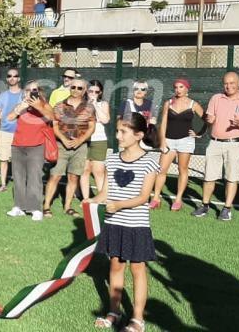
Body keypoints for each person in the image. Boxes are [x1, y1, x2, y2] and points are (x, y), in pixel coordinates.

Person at [90, 113, 160, 332]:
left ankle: (138, 319)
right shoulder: (112, 158)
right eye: (118, 131)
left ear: (138, 135)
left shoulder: (150, 160)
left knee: (138, 269)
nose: (117, 135)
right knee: (115, 265)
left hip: (136, 225)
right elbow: (105, 192)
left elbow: (143, 197)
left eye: (123, 132)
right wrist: (91, 201)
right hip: (114, 223)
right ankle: (114, 311)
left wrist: (118, 205)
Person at [192, 71, 239, 221]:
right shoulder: (216, 98)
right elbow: (210, 119)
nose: (229, 86)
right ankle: (204, 205)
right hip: (214, 143)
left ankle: (226, 209)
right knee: (209, 176)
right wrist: (209, 120)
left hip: (235, 144)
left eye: (232, 83)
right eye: (226, 83)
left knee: (231, 177)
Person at [43, 77, 95, 218]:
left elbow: (91, 127)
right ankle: (46, 206)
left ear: (84, 90)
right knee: (55, 176)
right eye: (73, 87)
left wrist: (80, 140)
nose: (75, 90)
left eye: (79, 88)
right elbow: (54, 126)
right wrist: (64, 140)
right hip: (61, 145)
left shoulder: (89, 108)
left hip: (80, 147)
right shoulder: (59, 106)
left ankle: (68, 207)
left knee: (73, 177)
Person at [151, 79, 204, 211]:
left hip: (186, 141)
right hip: (168, 141)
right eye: (176, 87)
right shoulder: (168, 103)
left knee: (182, 170)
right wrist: (162, 141)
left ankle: (178, 199)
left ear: (187, 89)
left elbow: (206, 120)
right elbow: (163, 123)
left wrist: (199, 133)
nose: (178, 89)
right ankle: (156, 198)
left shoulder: (193, 104)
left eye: (181, 87)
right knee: (161, 169)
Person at [5, 81, 54, 220]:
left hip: (36, 146)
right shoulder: (21, 105)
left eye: (34, 90)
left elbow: (52, 118)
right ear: (24, 92)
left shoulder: (44, 104)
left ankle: (35, 208)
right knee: (18, 177)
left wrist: (39, 106)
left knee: (34, 177)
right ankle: (18, 207)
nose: (31, 92)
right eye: (28, 90)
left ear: (39, 91)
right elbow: (9, 119)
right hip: (18, 145)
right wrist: (20, 108)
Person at [0, 68, 22, 193]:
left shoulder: (25, 94)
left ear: (19, 78)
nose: (12, 78)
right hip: (5, 132)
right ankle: (3, 184)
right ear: (7, 78)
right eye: (9, 76)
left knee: (20, 160)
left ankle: (20, 185)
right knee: (3, 159)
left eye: (15, 76)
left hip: (21, 133)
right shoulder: (2, 96)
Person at [82, 80, 110, 201]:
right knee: (85, 170)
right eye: (90, 91)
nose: (93, 94)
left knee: (98, 171)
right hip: (84, 139)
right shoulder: (81, 104)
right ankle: (86, 198)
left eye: (96, 92)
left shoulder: (103, 104)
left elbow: (105, 120)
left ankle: (101, 198)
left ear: (100, 93)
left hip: (99, 140)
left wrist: (95, 106)